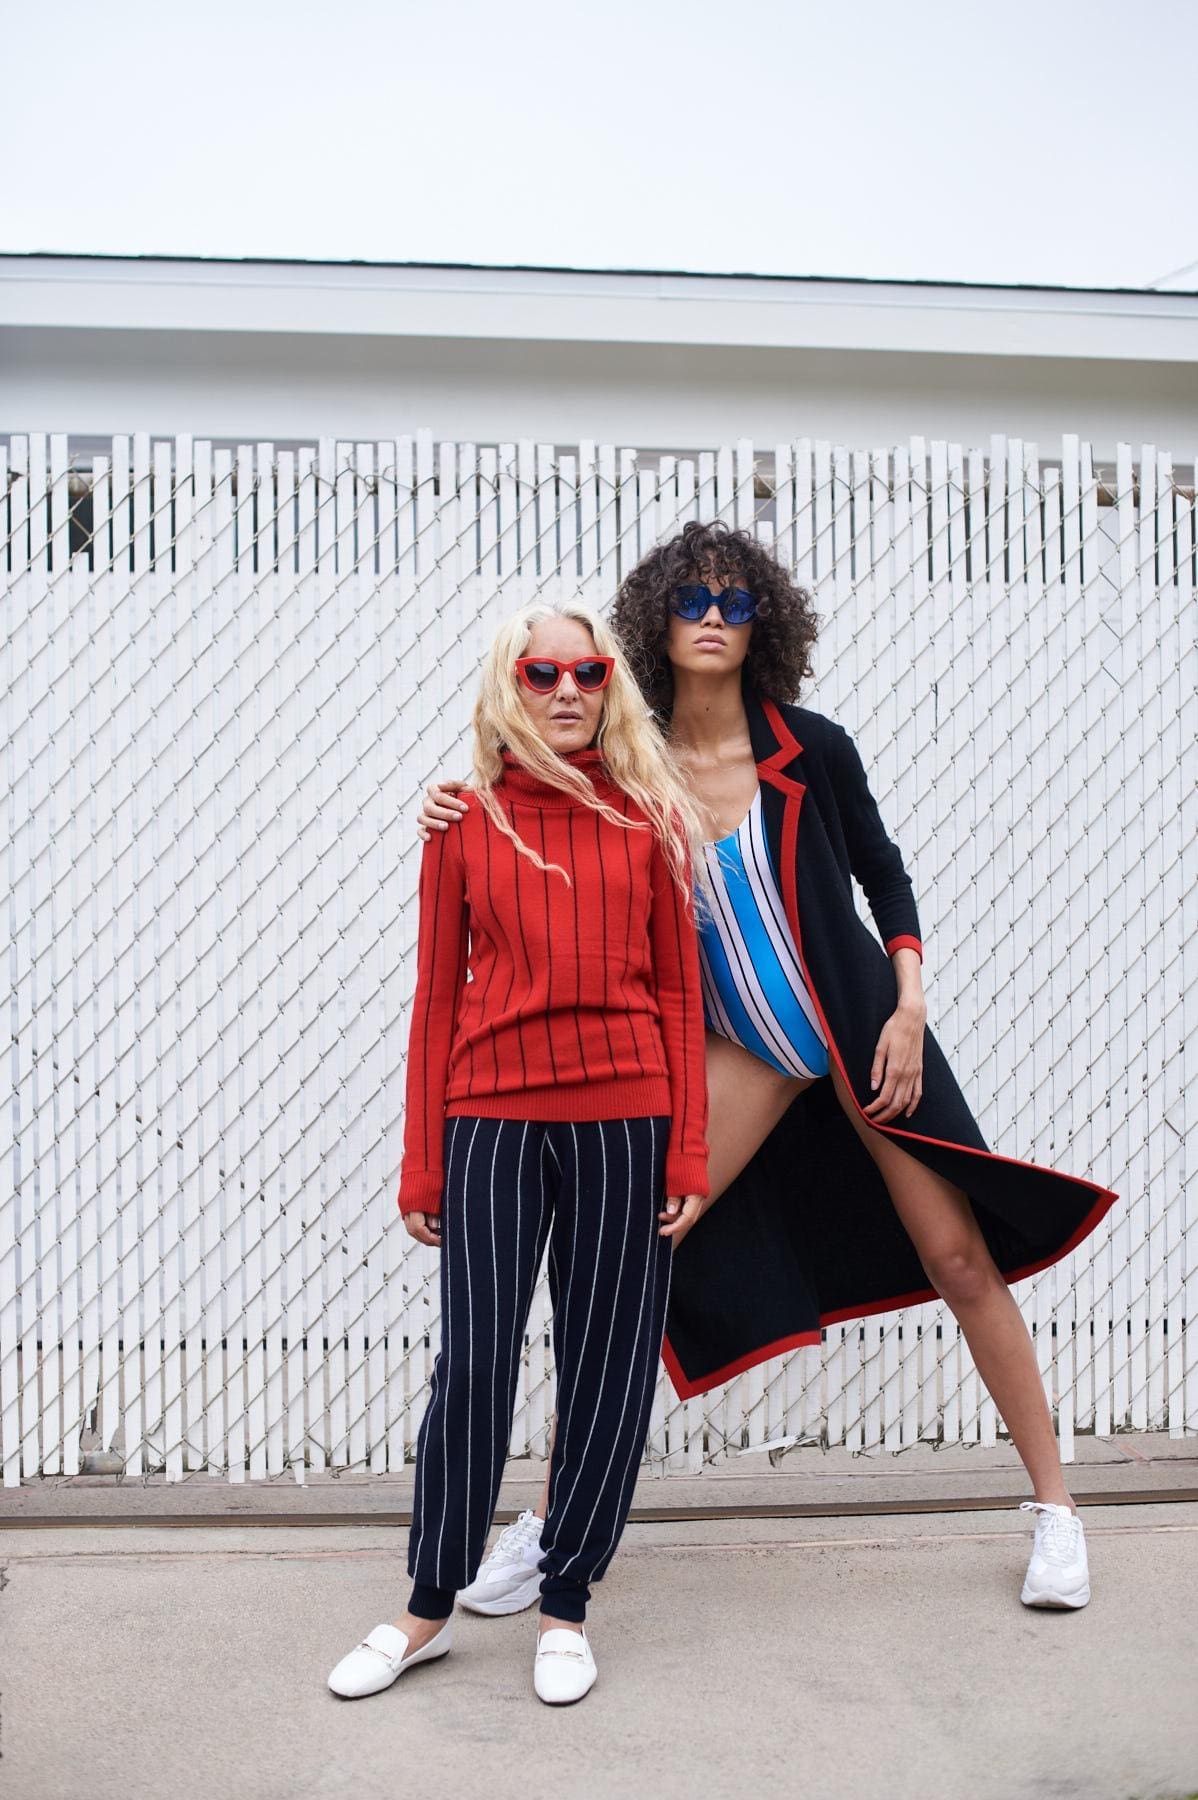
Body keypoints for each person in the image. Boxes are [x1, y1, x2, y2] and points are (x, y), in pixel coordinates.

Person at [416, 519, 1119, 1618]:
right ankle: (553, 1523)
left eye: (734, 603)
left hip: (857, 1031)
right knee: (630, 1262)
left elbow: (884, 875)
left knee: (958, 1258)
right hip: (740, 1049)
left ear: (762, 626)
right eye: (690, 600)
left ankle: (1056, 1510)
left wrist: (909, 1004)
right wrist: (450, 798)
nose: (712, 618)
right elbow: (529, 796)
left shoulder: (811, 747)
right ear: (653, 623)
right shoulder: (628, 764)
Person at [328, 598, 711, 1707]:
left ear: (610, 686)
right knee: (475, 1364)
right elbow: (435, 999)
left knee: (607, 1364)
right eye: (541, 674)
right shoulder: (462, 823)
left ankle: (565, 1604)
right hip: (490, 1119)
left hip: (626, 1122)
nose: (566, 691)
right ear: (510, 687)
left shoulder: (652, 822)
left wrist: (687, 1152)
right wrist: (422, 1161)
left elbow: (679, 997)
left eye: (588, 673)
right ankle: (427, 1607)